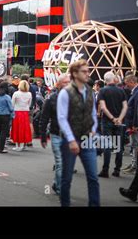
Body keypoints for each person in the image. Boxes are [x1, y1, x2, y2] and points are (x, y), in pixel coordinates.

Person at [57, 59, 100, 207]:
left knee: (93, 177)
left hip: (87, 138)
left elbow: (93, 113)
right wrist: (71, 140)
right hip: (70, 140)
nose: (87, 73)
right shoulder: (65, 92)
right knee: (67, 178)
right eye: (84, 71)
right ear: (74, 73)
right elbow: (62, 118)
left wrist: (94, 131)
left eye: (88, 71)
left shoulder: (89, 91)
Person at [40, 74, 71, 196]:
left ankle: (57, 183)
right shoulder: (51, 99)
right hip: (56, 134)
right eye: (65, 82)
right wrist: (43, 136)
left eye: (69, 82)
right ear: (58, 84)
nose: (68, 84)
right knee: (60, 163)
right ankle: (60, 188)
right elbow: (44, 118)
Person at [98, 72, 128, 178]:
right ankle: (117, 170)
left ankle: (105, 170)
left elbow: (103, 107)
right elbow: (125, 106)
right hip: (119, 122)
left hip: (107, 121)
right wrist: (119, 119)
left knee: (107, 146)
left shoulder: (102, 91)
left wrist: (112, 118)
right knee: (118, 145)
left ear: (105, 80)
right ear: (114, 79)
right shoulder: (121, 90)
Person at [122, 75, 138, 174]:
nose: (125, 85)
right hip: (133, 124)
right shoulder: (137, 92)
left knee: (136, 145)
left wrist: (135, 125)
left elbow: (137, 110)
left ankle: (137, 166)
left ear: (131, 81)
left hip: (135, 125)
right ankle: (134, 164)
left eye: (126, 82)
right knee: (134, 145)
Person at [0, 81, 14, 153]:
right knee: (4, 132)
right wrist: (13, 115)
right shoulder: (7, 97)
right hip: (5, 115)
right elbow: (11, 108)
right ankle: (1, 148)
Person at [11, 80, 32, 151]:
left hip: (17, 112)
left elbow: (12, 104)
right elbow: (29, 104)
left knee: (17, 128)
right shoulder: (29, 94)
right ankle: (23, 144)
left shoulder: (16, 93)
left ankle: (18, 145)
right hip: (25, 112)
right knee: (25, 128)